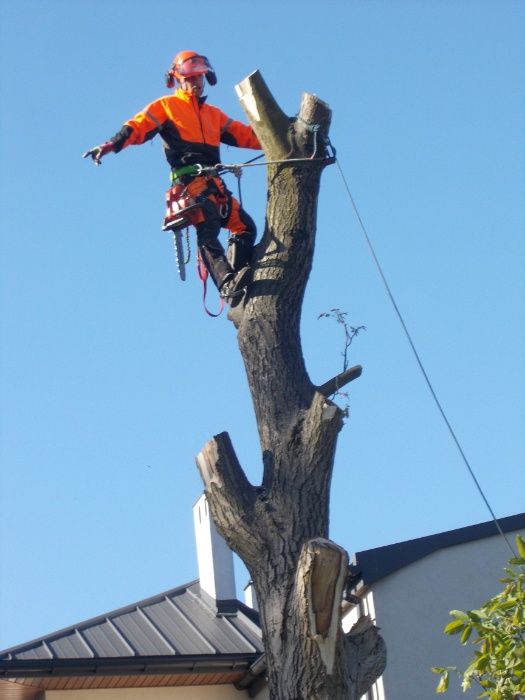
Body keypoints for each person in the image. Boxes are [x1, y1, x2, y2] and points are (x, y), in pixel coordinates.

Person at [83, 50, 261, 301]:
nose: (196, 82)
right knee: (208, 226)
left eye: (200, 77)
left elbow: (246, 135)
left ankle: (241, 273)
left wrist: (279, 136)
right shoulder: (167, 107)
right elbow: (136, 127)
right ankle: (227, 285)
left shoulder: (213, 114)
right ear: (178, 78)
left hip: (215, 183)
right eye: (191, 78)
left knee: (246, 227)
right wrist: (110, 145)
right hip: (190, 182)